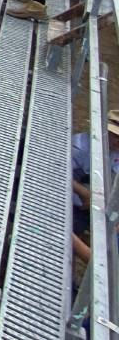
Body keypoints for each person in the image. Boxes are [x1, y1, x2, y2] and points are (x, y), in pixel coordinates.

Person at [70, 111, 119, 261]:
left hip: (97, 206)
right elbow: (58, 174)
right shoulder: (79, 147)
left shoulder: (116, 153)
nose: (117, 141)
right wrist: (83, 193)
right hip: (73, 203)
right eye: (114, 135)